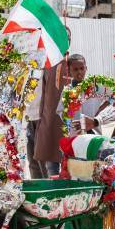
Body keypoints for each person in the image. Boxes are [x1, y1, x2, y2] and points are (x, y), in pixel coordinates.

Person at [35, 27, 72, 177]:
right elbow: (44, 95)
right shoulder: (48, 63)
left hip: (66, 124)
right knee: (50, 168)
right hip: (48, 121)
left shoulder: (71, 63)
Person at [58, 54, 115, 136]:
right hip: (75, 134)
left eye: (82, 68)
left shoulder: (96, 86)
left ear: (86, 68)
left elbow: (114, 95)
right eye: (75, 69)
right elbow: (61, 110)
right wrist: (67, 114)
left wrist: (101, 110)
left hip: (94, 132)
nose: (79, 72)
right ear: (69, 71)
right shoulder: (67, 91)